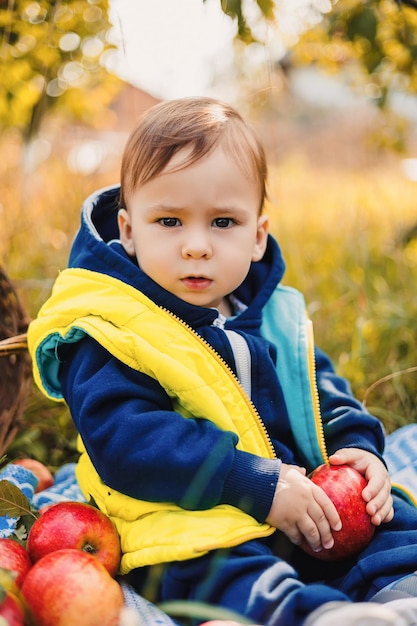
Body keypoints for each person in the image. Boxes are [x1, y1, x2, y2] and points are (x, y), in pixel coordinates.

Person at [28, 97, 417, 626]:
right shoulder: (109, 328)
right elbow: (129, 441)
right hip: (186, 513)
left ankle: (400, 590)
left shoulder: (270, 312)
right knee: (213, 568)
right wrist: (253, 482)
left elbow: (318, 389)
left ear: (257, 236)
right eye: (168, 220)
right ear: (128, 230)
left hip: (298, 496)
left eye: (223, 222)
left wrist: (357, 448)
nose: (195, 246)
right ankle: (310, 616)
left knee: (389, 518)